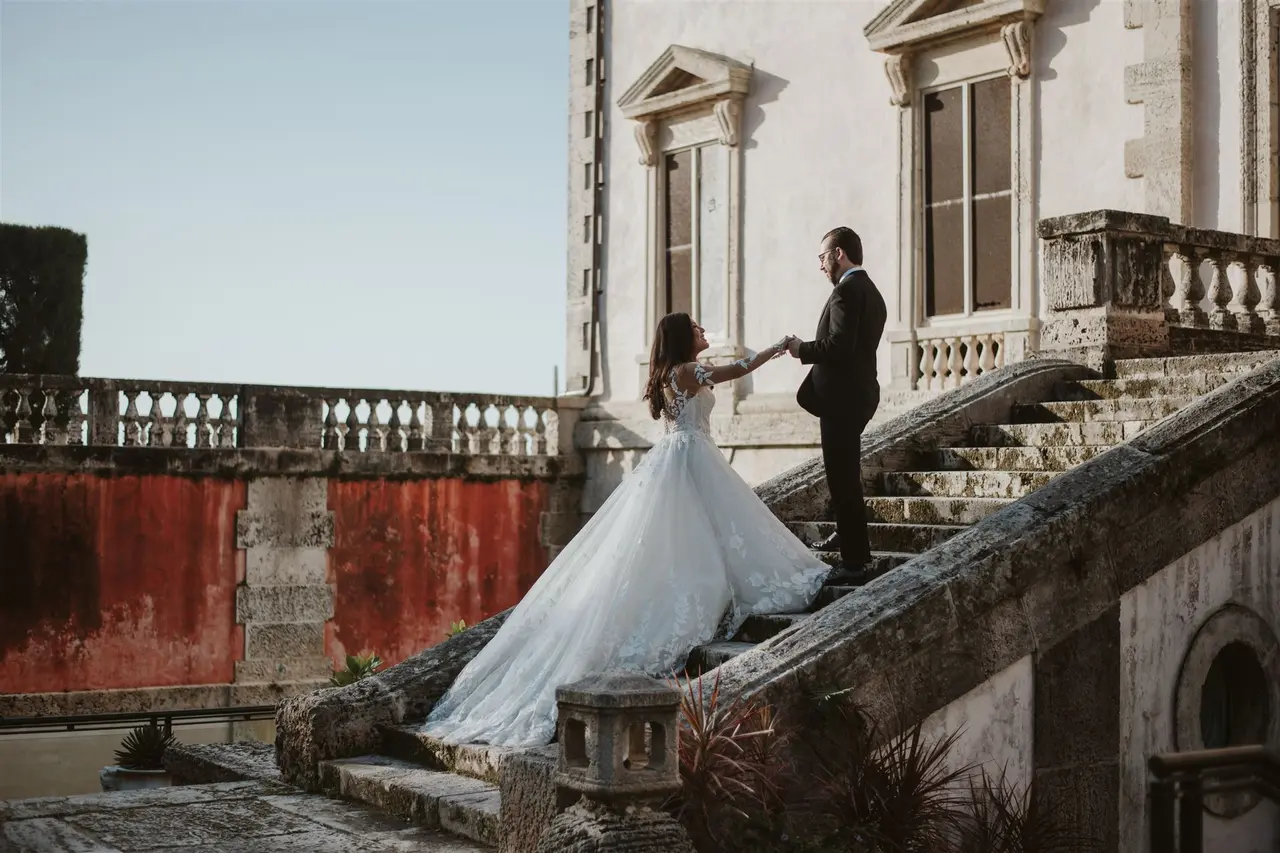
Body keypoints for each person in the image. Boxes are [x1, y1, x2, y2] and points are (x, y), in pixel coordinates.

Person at [422, 312, 830, 748]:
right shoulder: (687, 371)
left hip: (680, 456)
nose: (702, 331)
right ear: (682, 338)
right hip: (691, 458)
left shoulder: (668, 373)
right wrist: (778, 347)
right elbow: (738, 369)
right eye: (696, 328)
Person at [784, 226, 887, 572]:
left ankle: (854, 560)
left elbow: (839, 346)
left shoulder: (845, 292)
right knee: (846, 473)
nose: (821, 265)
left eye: (823, 257)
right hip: (860, 395)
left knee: (841, 478)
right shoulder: (872, 292)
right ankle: (846, 534)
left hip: (841, 400)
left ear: (839, 254)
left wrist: (801, 349)